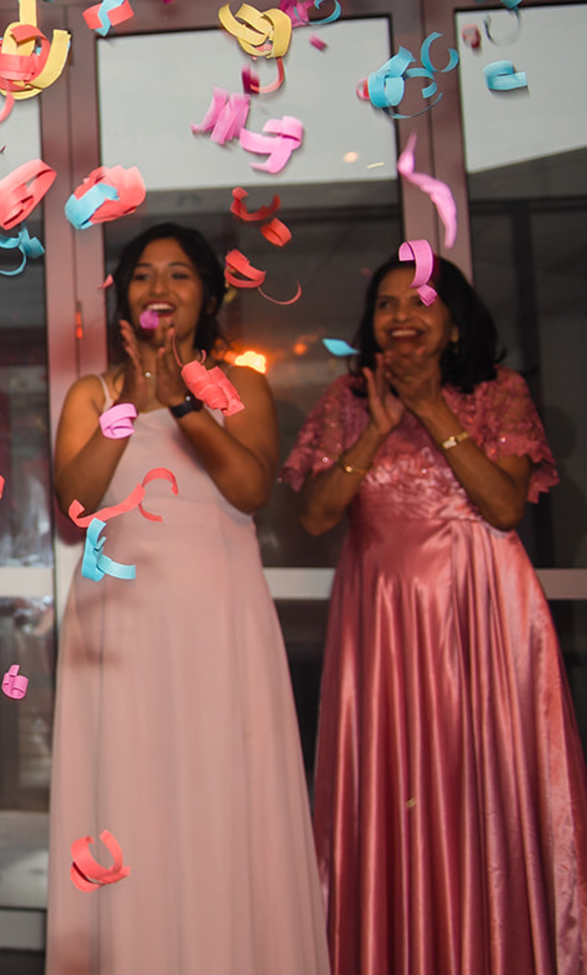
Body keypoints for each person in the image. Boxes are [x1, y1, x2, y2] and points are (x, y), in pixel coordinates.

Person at [283, 253, 587, 975]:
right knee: (391, 798)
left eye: (418, 302)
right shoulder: (348, 398)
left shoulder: (498, 393)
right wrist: (374, 430)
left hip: (484, 618)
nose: (400, 317)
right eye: (385, 305)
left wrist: (432, 410)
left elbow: (505, 505)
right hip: (382, 624)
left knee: (489, 795)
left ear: (453, 322)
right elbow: (320, 514)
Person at [46, 223, 326, 975]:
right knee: (129, 800)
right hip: (118, 629)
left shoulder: (246, 388)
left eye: (178, 275)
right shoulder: (91, 393)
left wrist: (186, 403)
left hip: (218, 621)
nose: (159, 290)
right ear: (124, 295)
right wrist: (135, 402)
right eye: (142, 275)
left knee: (219, 800)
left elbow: (249, 488)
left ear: (210, 296)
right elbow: (73, 509)